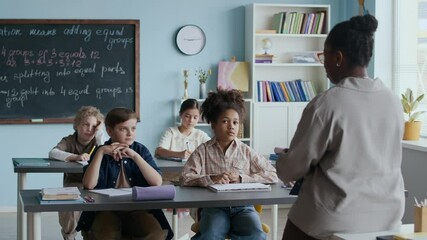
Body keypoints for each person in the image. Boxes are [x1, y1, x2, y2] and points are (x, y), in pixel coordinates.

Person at [276, 14, 405, 240]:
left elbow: (291, 170)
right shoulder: (392, 100)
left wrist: (284, 158)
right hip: (388, 217)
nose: (323, 62)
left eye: (323, 55)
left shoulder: (327, 103)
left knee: (295, 225)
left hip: (334, 218)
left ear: (338, 57)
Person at [181, 89, 278, 240]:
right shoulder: (203, 151)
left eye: (235, 122)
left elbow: (272, 174)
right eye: (225, 121)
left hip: (243, 207)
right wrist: (212, 178)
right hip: (214, 207)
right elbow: (185, 177)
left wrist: (242, 178)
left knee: (257, 236)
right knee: (211, 236)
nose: (231, 126)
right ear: (213, 124)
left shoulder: (246, 151)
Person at [76, 107, 173, 240]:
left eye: (133, 128)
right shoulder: (101, 151)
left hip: (137, 208)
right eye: (123, 129)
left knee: (154, 234)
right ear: (110, 131)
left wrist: (135, 156)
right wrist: (101, 152)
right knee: (107, 235)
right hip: (105, 209)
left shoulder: (140, 150)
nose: (130, 133)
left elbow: (157, 182)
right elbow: (89, 184)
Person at [48, 106, 106, 240]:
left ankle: (89, 233)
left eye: (94, 126)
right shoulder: (69, 141)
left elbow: (105, 150)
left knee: (98, 211)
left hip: (93, 184)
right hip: (74, 184)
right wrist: (75, 157)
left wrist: (100, 132)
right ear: (77, 125)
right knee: (69, 209)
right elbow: (53, 153)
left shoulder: (98, 142)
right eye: (86, 124)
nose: (90, 129)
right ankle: (69, 235)